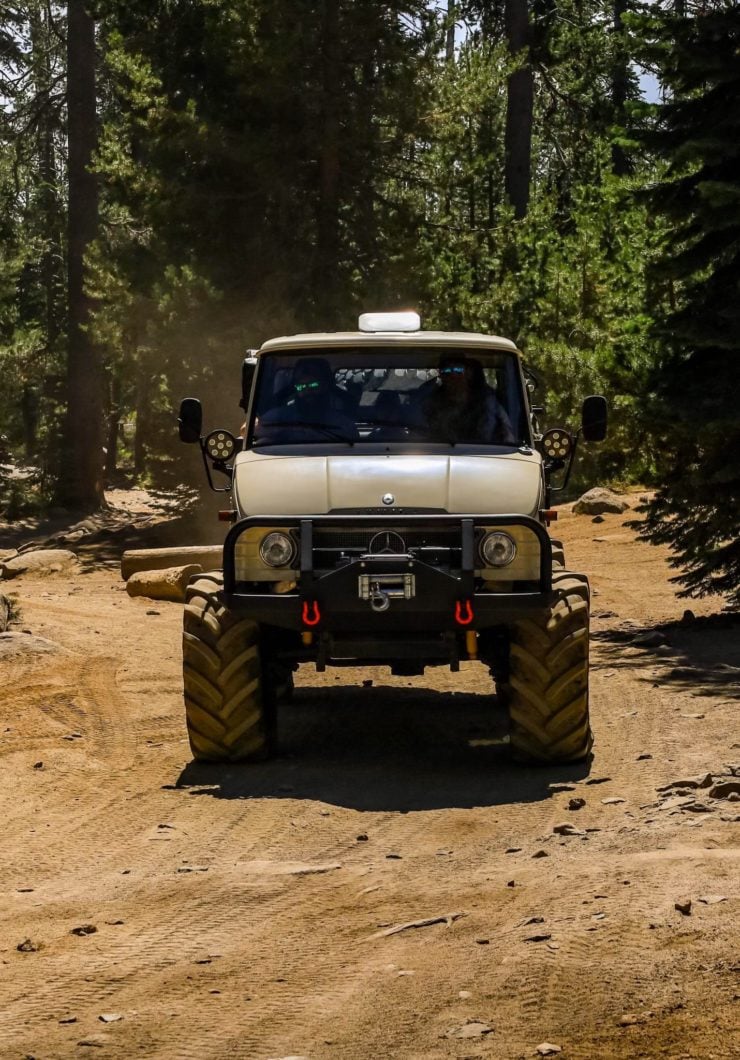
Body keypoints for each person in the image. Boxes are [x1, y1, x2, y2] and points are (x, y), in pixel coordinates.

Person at [256, 357, 358, 442]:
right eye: (301, 386)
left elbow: (353, 443)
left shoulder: (342, 423)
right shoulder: (279, 417)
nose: (307, 391)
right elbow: (256, 432)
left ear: (325, 386)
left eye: (313, 385)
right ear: (295, 389)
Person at [423, 355, 516, 444]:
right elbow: (422, 432)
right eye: (446, 370)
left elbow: (507, 436)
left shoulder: (488, 401)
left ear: (468, 373)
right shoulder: (430, 401)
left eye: (458, 369)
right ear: (441, 375)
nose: (453, 375)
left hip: (484, 453)